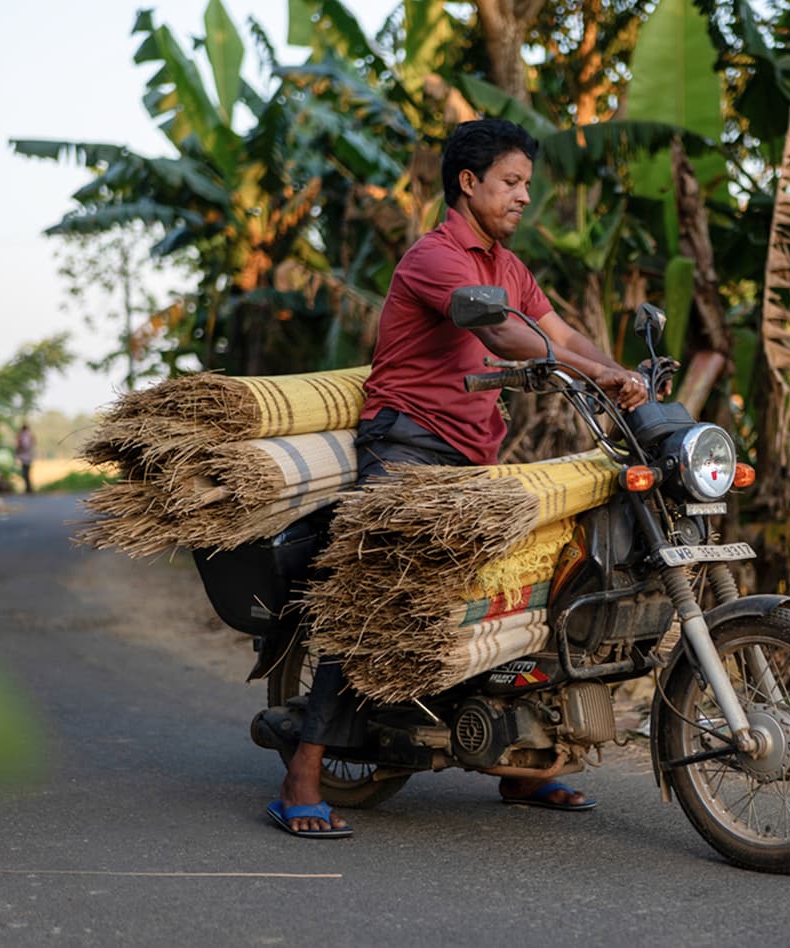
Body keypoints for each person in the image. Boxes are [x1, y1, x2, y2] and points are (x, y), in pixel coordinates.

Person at [269, 118, 651, 839]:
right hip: (406, 445)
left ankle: (516, 764)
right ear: (468, 183)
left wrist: (621, 374)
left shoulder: (507, 266)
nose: (523, 197)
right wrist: (597, 373)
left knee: (521, 589)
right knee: (375, 598)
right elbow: (504, 335)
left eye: (527, 185)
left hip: (474, 451)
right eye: (511, 183)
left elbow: (559, 334)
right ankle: (303, 773)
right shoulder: (436, 256)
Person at [15, 423, 35, 494]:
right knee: (26, 473)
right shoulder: (30, 435)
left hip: (25, 457)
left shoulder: (24, 435)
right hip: (29, 456)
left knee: (25, 473)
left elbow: (24, 446)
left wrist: (17, 453)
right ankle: (28, 488)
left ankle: (28, 488)